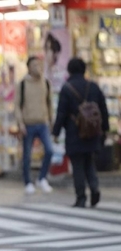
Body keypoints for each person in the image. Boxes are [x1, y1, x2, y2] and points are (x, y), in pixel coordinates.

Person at [52, 58, 109, 208]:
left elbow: (61, 113)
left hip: (74, 131)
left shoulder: (67, 88)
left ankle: (81, 197)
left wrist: (56, 132)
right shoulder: (94, 87)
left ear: (69, 70)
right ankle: (94, 187)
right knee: (89, 162)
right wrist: (105, 129)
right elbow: (103, 109)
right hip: (93, 131)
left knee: (77, 164)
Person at [15, 56, 54, 195]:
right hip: (28, 123)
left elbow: (49, 103)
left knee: (49, 150)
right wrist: (20, 123)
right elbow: (17, 105)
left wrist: (51, 120)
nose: (37, 67)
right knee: (27, 155)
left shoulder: (46, 83)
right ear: (29, 67)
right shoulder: (23, 84)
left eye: (39, 64)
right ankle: (27, 182)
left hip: (43, 122)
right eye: (34, 65)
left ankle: (42, 177)